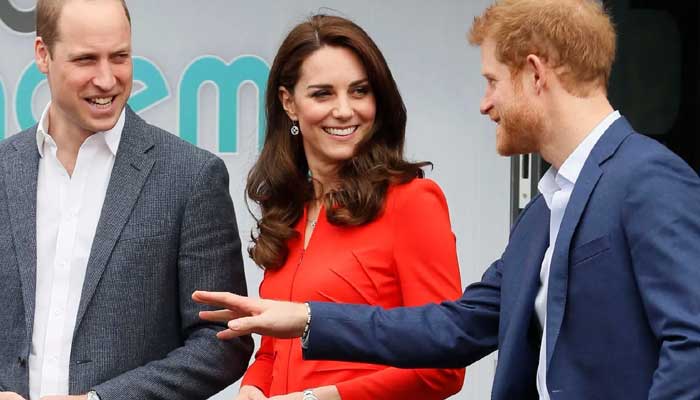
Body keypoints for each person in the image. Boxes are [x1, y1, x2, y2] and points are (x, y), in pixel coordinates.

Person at [192, 1, 700, 399]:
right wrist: (307, 319)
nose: (485, 103)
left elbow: (692, 345)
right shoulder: (544, 211)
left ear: (534, 75)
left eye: (492, 82)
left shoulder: (647, 178)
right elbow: (454, 327)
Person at [195, 14, 465, 400]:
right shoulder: (287, 210)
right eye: (323, 94)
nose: (344, 110)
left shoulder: (412, 201)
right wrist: (254, 385)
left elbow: (444, 364)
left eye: (359, 91)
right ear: (289, 103)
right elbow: (275, 348)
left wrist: (320, 398)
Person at [0, 1, 252, 399]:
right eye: (86, 59)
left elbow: (222, 341)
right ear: (43, 55)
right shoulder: (4, 168)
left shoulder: (191, 176)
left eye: (119, 57)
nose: (107, 79)